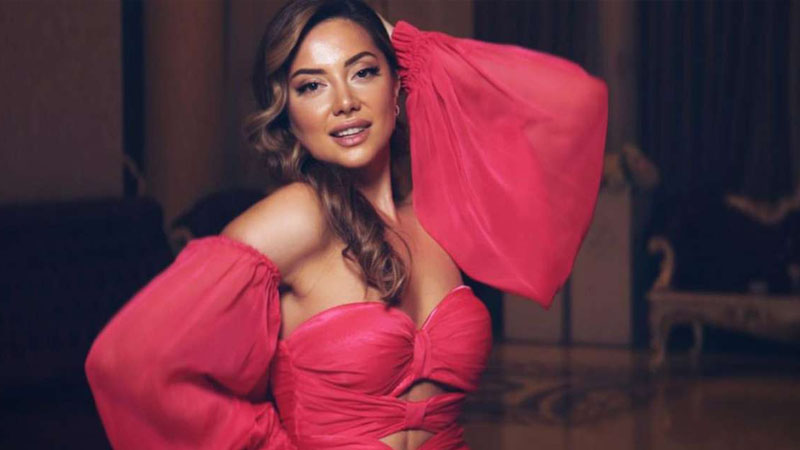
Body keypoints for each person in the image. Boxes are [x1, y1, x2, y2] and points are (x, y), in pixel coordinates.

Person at [84, 0, 608, 448]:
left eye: (363, 72)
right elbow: (128, 363)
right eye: (312, 86)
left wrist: (410, 46)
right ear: (288, 115)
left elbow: (574, 104)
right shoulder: (299, 216)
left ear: (397, 87)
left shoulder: (437, 217)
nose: (344, 103)